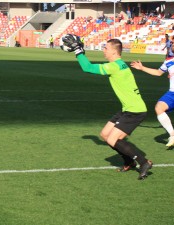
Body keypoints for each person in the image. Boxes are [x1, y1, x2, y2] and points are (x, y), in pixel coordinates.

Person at [62, 35, 153, 180]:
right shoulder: (119, 64)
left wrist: (78, 51)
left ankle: (143, 162)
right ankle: (129, 162)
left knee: (112, 140)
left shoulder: (114, 66)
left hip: (135, 110)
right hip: (127, 108)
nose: (103, 50)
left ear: (114, 52)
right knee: (105, 135)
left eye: (106, 48)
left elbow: (88, 68)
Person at [131, 36, 174, 154]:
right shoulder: (168, 60)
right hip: (172, 93)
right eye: (172, 43)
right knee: (158, 108)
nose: (173, 44)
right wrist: (142, 68)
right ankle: (173, 135)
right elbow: (158, 72)